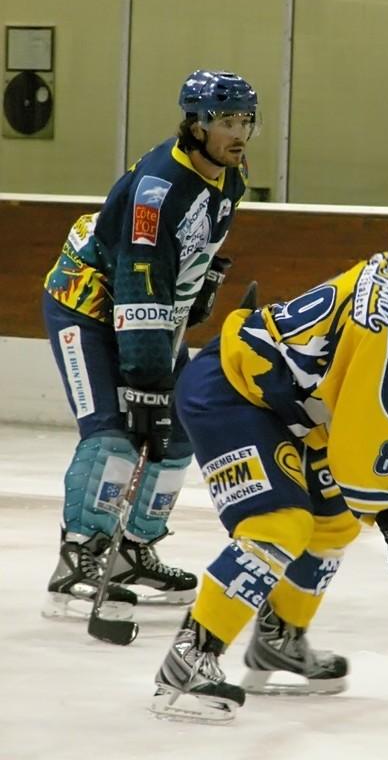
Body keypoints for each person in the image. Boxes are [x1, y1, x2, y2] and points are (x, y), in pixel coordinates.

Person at [150, 192, 388, 723]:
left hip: (282, 408)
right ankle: (190, 658)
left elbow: (368, 423)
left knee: (334, 522)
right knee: (280, 524)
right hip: (230, 393)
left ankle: (278, 640)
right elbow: (365, 438)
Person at [41, 69, 261, 619]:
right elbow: (140, 273)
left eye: (245, 122)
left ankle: (133, 550)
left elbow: (190, 248)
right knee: (116, 432)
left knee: (178, 431)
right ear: (195, 124)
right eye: (226, 121)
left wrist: (202, 283)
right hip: (87, 306)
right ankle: (79, 557)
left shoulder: (228, 174)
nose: (238, 133)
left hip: (151, 313)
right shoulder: (158, 188)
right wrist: (145, 378)